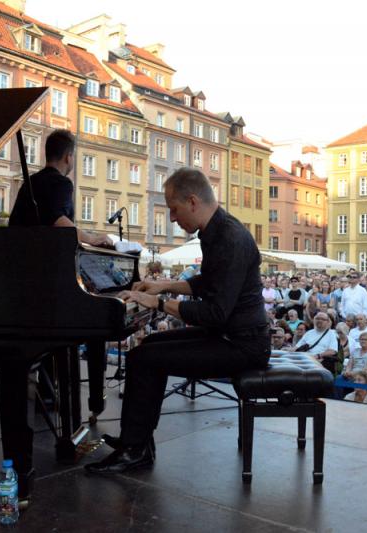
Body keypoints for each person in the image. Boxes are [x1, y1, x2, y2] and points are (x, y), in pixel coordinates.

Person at [86, 168, 270, 474]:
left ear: (193, 201)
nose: (172, 218)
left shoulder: (229, 238)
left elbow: (215, 312)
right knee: (145, 348)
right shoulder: (217, 231)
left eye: (174, 209)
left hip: (242, 345)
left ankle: (135, 450)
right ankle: (139, 439)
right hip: (229, 336)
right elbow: (208, 282)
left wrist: (156, 302)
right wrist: (164, 286)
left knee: (145, 359)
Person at [9, 129, 113, 248]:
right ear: (68, 157)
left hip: (17, 253)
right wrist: (91, 239)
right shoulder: (61, 183)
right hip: (45, 258)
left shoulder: (29, 181)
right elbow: (57, 219)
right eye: (73, 155)